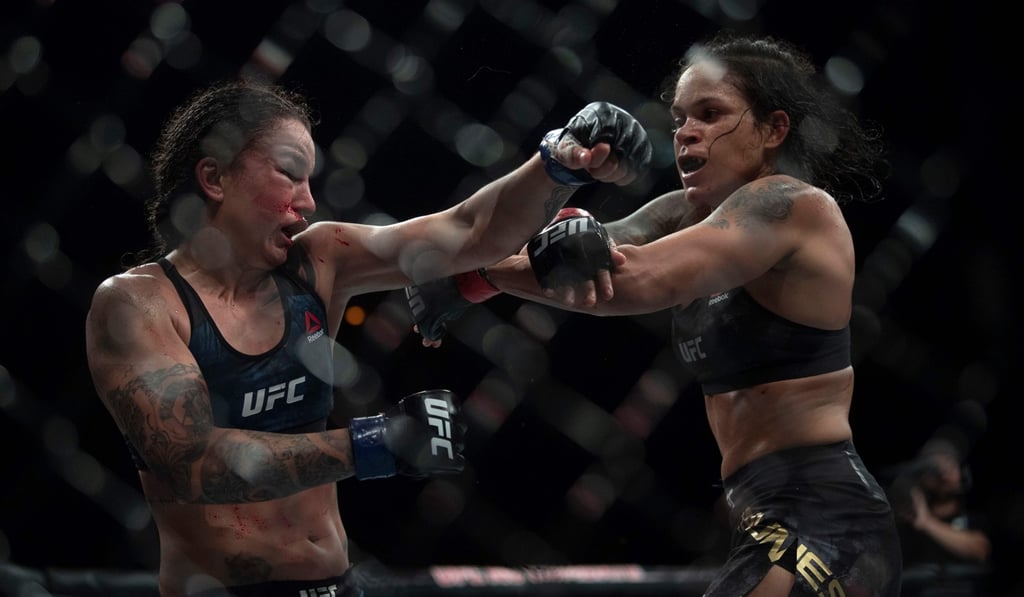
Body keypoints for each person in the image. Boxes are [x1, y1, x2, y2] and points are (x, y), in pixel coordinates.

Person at [84, 78, 651, 597]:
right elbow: (195, 464)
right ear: (215, 178)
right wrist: (376, 443)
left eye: (309, 180)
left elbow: (466, 231)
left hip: (339, 584)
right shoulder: (138, 305)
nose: (305, 202)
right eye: (288, 173)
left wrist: (556, 162)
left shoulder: (318, 262)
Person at [407, 30, 903, 596]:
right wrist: (560, 191)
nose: (687, 132)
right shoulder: (685, 212)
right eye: (679, 119)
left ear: (773, 130)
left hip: (825, 514)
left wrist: (477, 278)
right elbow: (586, 257)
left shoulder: (791, 205)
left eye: (711, 114)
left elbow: (633, 279)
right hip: (763, 510)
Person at [888, 439, 991, 595]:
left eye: (950, 467)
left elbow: (980, 550)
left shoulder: (973, 517)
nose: (945, 476)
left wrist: (927, 523)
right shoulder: (906, 524)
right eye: (936, 469)